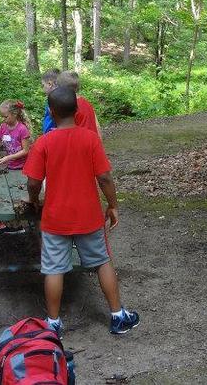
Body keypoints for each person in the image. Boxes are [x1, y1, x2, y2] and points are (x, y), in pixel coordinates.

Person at [23, 86, 140, 336]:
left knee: (53, 268)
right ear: (77, 111)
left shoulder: (44, 142)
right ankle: (118, 316)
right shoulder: (90, 139)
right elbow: (105, 178)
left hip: (55, 218)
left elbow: (33, 182)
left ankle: (53, 323)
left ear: (51, 112)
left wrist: (33, 200)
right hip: (88, 216)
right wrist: (113, 205)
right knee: (102, 261)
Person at [56, 70, 102, 139]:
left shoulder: (68, 106)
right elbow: (97, 125)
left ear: (62, 89)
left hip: (79, 143)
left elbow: (67, 130)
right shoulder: (87, 103)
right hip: (92, 142)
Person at [41, 68, 60, 134]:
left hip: (54, 136)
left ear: (49, 84)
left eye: (43, 85)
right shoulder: (50, 98)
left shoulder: (59, 100)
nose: (42, 89)